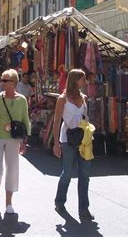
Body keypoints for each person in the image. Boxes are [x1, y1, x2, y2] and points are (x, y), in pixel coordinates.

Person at [0, 69, 30, 214]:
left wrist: (24, 141)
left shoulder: (22, 100)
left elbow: (25, 120)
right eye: (2, 79)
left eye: (5, 80)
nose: (2, 82)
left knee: (12, 169)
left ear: (14, 83)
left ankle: (9, 202)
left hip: (13, 138)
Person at [53, 69, 94, 221]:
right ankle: (59, 201)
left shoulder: (83, 97)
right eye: (83, 79)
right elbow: (57, 121)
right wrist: (56, 143)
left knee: (85, 175)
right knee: (68, 173)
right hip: (67, 139)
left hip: (83, 140)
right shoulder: (62, 99)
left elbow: (84, 118)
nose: (85, 82)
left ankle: (84, 208)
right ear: (75, 80)